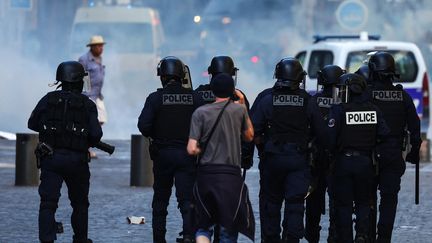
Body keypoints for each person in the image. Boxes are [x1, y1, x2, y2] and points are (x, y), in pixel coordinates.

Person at [251, 58, 327, 243]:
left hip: (272, 159)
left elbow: (252, 130)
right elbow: (322, 133)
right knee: (295, 204)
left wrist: (262, 148)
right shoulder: (307, 101)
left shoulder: (267, 98)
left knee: (271, 204)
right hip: (298, 160)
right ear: (299, 78)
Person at [28, 61, 103, 243]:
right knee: (79, 204)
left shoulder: (48, 99)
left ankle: (46, 239)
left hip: (51, 158)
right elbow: (95, 135)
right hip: (77, 161)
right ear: (78, 81)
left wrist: (51, 129)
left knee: (48, 203)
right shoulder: (87, 104)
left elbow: (32, 123)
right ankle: (80, 239)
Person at [137, 56, 204, 243]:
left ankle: (159, 238)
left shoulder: (155, 98)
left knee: (160, 200)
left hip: (163, 155)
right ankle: (189, 236)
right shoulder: (195, 98)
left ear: (162, 77)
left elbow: (143, 126)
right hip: (187, 154)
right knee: (187, 199)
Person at [187, 73, 255, 243]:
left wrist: (201, 150)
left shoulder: (200, 112)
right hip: (230, 176)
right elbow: (249, 136)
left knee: (203, 225)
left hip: (206, 175)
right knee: (228, 227)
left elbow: (191, 148)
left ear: (212, 90)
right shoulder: (239, 111)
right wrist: (243, 106)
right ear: (233, 90)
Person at [327, 73, 389, 243]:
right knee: (363, 201)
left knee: (344, 204)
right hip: (365, 163)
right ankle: (362, 234)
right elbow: (384, 133)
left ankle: (346, 238)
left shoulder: (339, 110)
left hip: (344, 162)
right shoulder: (373, 110)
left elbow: (330, 138)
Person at [367, 52, 421, 243]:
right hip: (393, 154)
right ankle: (384, 239)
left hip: (368, 154)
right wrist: (413, 154)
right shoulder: (403, 96)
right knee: (389, 200)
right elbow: (415, 129)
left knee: (367, 199)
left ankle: (366, 236)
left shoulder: (366, 95)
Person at [305, 65, 344, 243]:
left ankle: (312, 236)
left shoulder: (313, 101)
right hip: (337, 159)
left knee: (313, 203)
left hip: (316, 159)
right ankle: (334, 236)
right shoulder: (344, 102)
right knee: (338, 202)